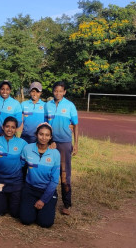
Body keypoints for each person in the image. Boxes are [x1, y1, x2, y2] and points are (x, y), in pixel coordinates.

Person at [45, 81, 78, 215]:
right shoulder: (48, 105)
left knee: (64, 174)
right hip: (51, 142)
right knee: (49, 171)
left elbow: (75, 125)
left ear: (64, 92)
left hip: (64, 143)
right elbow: (45, 124)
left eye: (60, 91)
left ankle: (67, 204)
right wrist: (48, 141)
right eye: (55, 91)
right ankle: (49, 199)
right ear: (53, 91)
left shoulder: (70, 105)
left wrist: (76, 144)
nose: (58, 93)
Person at [19, 123, 60, 228]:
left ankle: (45, 208)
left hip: (47, 190)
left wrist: (43, 200)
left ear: (50, 137)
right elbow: (21, 166)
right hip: (30, 189)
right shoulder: (27, 149)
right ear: (36, 135)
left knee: (45, 223)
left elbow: (55, 180)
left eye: (47, 135)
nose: (44, 137)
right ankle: (32, 209)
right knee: (26, 220)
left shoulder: (55, 154)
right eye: (41, 134)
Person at [0, 116, 27, 218]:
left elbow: (30, 155)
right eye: (7, 126)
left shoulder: (22, 143)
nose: (10, 129)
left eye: (13, 127)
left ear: (16, 129)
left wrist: (51, 144)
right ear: (3, 127)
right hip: (1, 180)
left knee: (15, 213)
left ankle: (11, 199)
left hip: (16, 181)